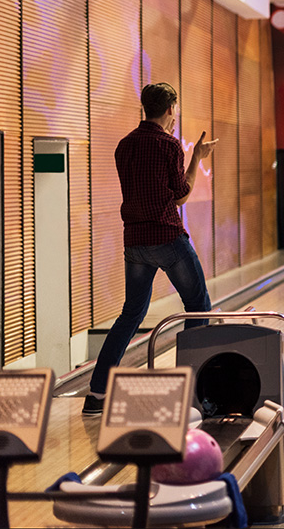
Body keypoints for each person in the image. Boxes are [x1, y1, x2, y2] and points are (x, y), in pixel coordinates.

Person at [83, 83, 218, 416]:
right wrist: (196, 158)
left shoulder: (124, 146)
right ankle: (193, 394)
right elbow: (180, 195)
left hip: (135, 243)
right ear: (170, 109)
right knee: (198, 306)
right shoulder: (169, 145)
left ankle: (96, 394)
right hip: (167, 237)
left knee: (131, 314)